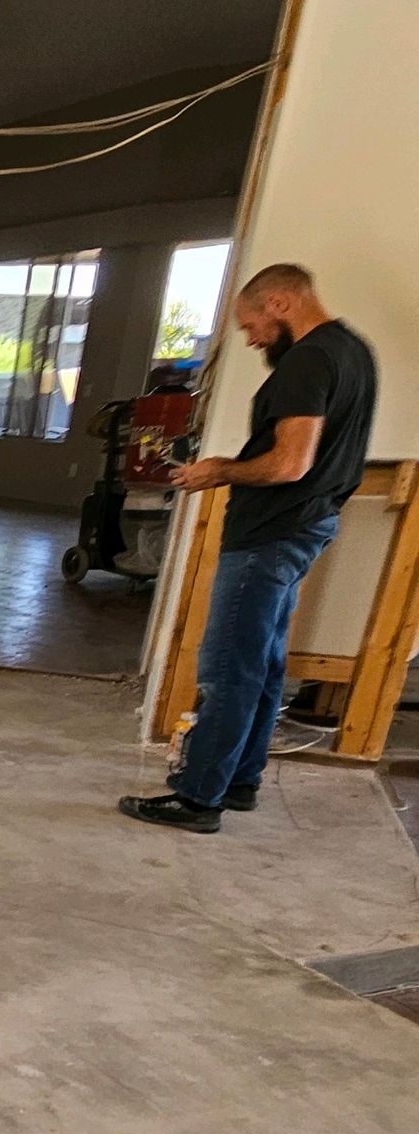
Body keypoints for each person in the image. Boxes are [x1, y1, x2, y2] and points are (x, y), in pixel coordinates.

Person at [119, 261, 377, 834]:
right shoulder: (353, 352)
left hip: (270, 533)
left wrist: (219, 470)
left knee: (228, 669)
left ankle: (197, 798)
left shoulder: (308, 359)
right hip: (305, 527)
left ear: (279, 303)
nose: (252, 339)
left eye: (251, 325)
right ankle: (239, 782)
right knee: (263, 663)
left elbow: (289, 463)